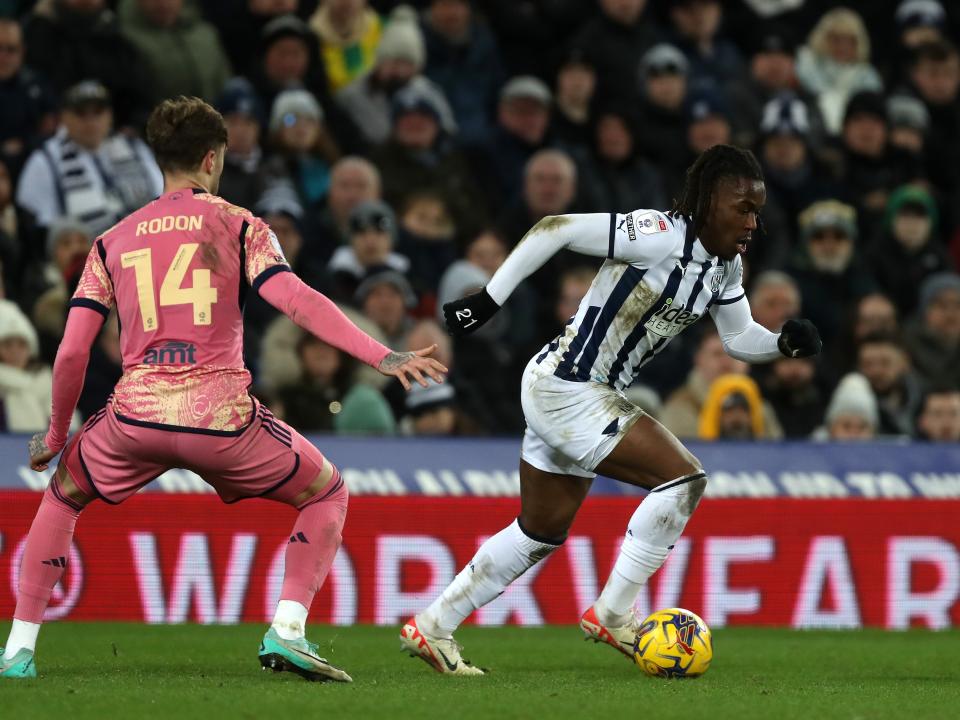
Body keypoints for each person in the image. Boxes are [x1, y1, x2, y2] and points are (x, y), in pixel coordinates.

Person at [0, 96, 445, 681]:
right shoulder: (239, 225)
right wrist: (380, 353)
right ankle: (287, 631)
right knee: (327, 492)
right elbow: (294, 299)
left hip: (134, 420)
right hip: (220, 420)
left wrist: (58, 434)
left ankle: (18, 652)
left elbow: (72, 352)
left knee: (62, 497)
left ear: (160, 158)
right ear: (212, 158)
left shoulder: (110, 241)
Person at [399, 144, 821, 674]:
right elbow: (554, 229)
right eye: (743, 208)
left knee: (539, 531)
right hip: (568, 385)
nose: (753, 223)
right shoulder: (657, 233)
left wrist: (782, 344)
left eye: (757, 211)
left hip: (577, 390)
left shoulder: (725, 268)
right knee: (683, 480)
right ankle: (613, 614)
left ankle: (433, 626)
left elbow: (738, 338)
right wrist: (489, 298)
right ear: (711, 201)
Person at [15, 80, 163, 238]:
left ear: (110, 115)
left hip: (147, 243)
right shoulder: (45, 161)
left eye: (98, 112)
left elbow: (162, 196)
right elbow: (43, 228)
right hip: (88, 249)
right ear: (64, 117)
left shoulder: (134, 147)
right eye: (81, 114)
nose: (91, 122)